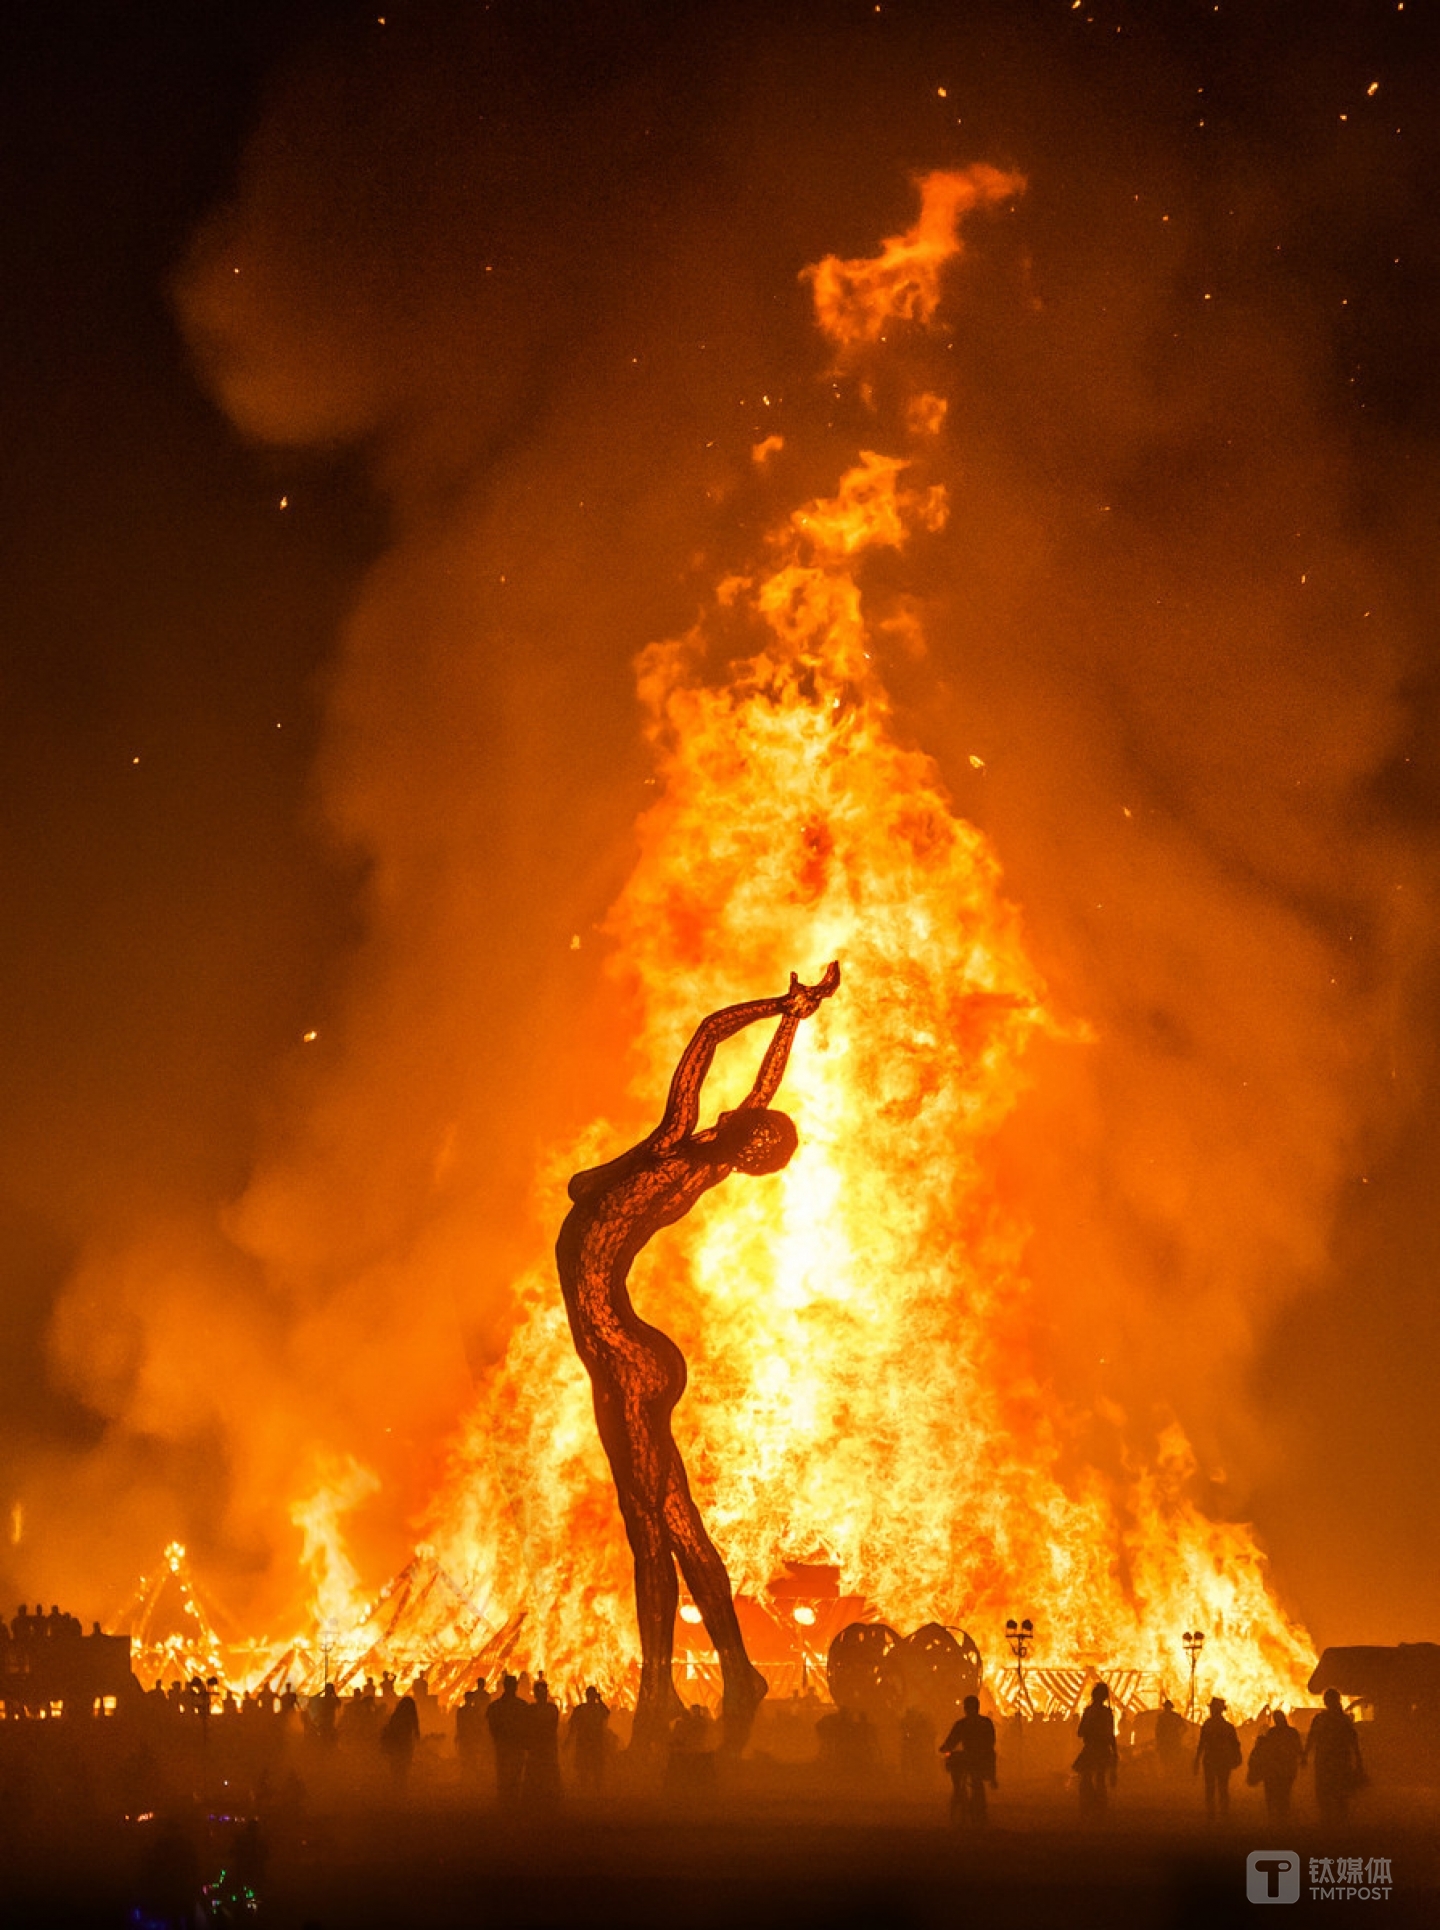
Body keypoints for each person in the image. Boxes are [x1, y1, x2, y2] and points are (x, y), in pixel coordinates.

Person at [557, 964, 840, 1750]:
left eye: (751, 1119)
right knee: (677, 1525)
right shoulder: (712, 1160)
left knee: (648, 1531)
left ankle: (657, 1695)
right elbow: (761, 1091)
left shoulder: (674, 1146)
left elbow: (709, 1035)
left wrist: (779, 1006)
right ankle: (737, 1674)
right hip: (632, 1356)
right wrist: (794, 1021)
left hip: (625, 1358)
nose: (742, 1107)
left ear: (743, 1139)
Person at [1304, 1688, 1365, 1826]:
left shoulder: (1324, 1719)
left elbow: (1312, 1737)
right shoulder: (1342, 1719)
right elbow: (1353, 1740)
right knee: (1337, 1792)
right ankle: (1338, 1821)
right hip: (1337, 1760)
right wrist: (1358, 1759)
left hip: (1328, 1760)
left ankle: (1330, 1820)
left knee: (1327, 1791)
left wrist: (1305, 1755)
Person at [940, 1695, 997, 1827]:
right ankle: (986, 1785)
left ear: (965, 1709)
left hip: (974, 1757)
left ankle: (958, 1793)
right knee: (976, 1779)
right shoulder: (985, 1723)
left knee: (959, 1769)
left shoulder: (962, 1724)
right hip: (982, 1758)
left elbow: (951, 1742)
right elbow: (991, 1742)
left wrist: (944, 1748)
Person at [1247, 1709, 1304, 1821]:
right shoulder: (1291, 1732)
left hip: (1277, 1769)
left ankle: (1276, 1817)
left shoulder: (1273, 1732)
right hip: (1285, 1769)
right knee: (1284, 1794)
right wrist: (1302, 1758)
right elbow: (1298, 1748)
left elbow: (1268, 1751)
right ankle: (1282, 1817)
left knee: (1275, 1794)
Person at [486, 1673, 531, 1807]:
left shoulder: (496, 1706)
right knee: (510, 1773)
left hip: (508, 1746)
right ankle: (508, 1801)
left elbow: (491, 1727)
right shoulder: (521, 1705)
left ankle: (508, 1801)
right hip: (511, 1746)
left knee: (508, 1773)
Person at [1194, 1696, 1242, 1819]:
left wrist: (1197, 1760)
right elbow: (1235, 1745)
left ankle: (1212, 1814)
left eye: (1212, 1708)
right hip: (1222, 1761)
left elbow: (1201, 1744)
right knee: (1223, 1787)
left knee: (1211, 1788)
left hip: (1211, 1760)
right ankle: (1223, 1813)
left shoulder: (1208, 1725)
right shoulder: (1228, 1727)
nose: (1211, 1710)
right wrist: (1237, 1757)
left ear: (1216, 1710)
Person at [1074, 1683, 1118, 1817]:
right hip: (1101, 1749)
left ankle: (1089, 1804)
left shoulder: (1089, 1712)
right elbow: (1110, 1735)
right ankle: (1098, 1805)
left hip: (1092, 1748)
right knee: (1099, 1778)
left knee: (1087, 1777)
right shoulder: (1106, 1713)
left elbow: (1080, 1732)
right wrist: (1114, 1752)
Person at [525, 1677, 563, 1807]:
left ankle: (548, 1798)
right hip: (541, 1746)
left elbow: (551, 1727)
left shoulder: (547, 1709)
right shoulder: (546, 1709)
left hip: (543, 1746)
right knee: (541, 1771)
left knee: (545, 1772)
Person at [567, 1685, 611, 1795]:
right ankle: (586, 1790)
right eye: (590, 1695)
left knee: (596, 1768)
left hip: (595, 1742)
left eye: (593, 1695)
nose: (591, 1697)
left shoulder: (597, 1708)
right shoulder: (581, 1709)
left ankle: (596, 1791)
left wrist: (600, 1701)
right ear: (587, 1696)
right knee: (584, 1767)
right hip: (584, 1742)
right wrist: (568, 1739)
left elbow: (607, 1713)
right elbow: (573, 1725)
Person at [379, 1692, 420, 1788]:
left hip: (397, 1746)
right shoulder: (409, 1718)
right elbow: (414, 1732)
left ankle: (397, 1784)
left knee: (396, 1766)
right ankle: (401, 1784)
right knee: (403, 1767)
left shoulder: (396, 1716)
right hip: (404, 1745)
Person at [1154, 1698, 1186, 1780]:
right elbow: (1157, 1731)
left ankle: (1170, 1775)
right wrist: (1180, 1735)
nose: (1166, 1709)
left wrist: (1179, 1736)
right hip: (1170, 1742)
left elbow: (1157, 1731)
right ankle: (1169, 1775)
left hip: (1169, 1742)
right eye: (1166, 1707)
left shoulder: (1163, 1717)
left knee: (1169, 1759)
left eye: (1167, 1707)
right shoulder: (1170, 1717)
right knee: (1168, 1759)